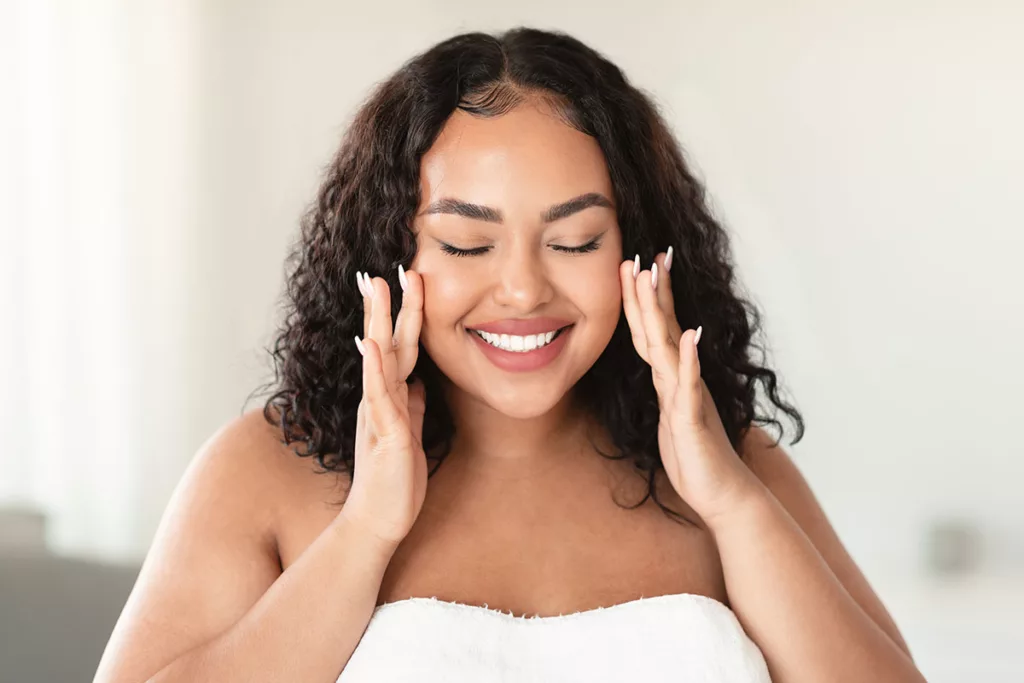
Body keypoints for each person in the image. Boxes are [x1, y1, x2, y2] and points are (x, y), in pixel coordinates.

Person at [94, 26, 926, 683]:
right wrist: (365, 534)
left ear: (638, 251)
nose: (524, 291)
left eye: (575, 239)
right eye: (465, 244)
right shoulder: (264, 473)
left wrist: (735, 505)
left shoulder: (734, 471)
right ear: (390, 255)